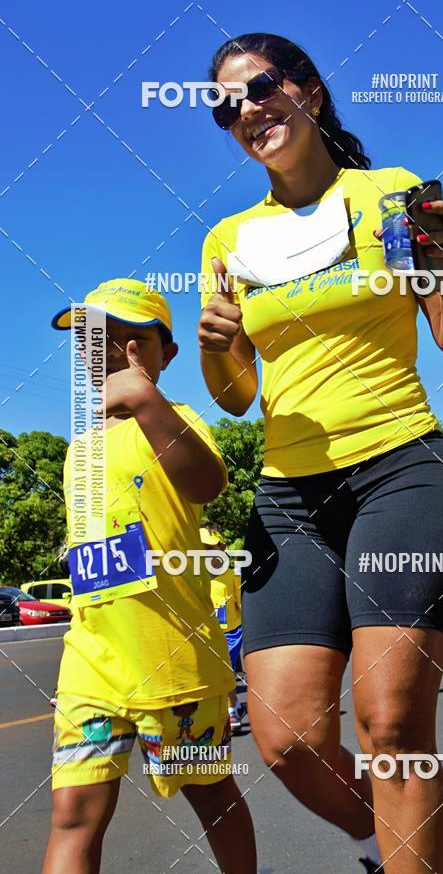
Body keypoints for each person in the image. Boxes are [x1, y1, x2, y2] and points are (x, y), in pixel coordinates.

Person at [198, 32, 443, 874]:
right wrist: (217, 344)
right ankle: (381, 843)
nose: (248, 111)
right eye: (226, 106)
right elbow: (235, 396)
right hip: (290, 496)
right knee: (287, 738)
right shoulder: (227, 240)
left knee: (392, 724)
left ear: (310, 92)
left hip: (401, 469)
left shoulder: (388, 195)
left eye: (261, 87)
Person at [44, 279, 256, 874]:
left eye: (122, 339)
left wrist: (145, 400)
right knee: (73, 814)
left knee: (211, 798)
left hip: (173, 658)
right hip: (91, 661)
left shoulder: (176, 420)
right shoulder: (79, 449)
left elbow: (206, 483)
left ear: (167, 353)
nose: (103, 352)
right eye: (90, 340)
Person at [201, 522, 247, 732]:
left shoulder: (231, 577)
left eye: (209, 548)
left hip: (231, 634)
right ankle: (234, 706)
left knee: (224, 670)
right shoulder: (195, 579)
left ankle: (231, 709)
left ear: (221, 548)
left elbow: (242, 606)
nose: (205, 553)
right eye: (200, 548)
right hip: (206, 634)